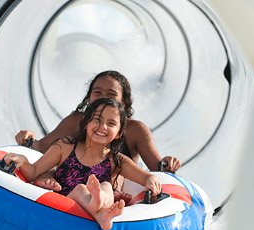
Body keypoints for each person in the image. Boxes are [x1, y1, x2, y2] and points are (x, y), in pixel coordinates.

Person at [3, 98, 161, 230]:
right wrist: (23, 160)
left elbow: (146, 176)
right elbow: (33, 171)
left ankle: (99, 209)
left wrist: (151, 182)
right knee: (80, 190)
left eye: (111, 123)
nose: (102, 126)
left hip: (92, 219)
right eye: (97, 119)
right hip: (65, 211)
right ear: (85, 123)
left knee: (106, 186)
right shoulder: (64, 147)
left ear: (119, 133)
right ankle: (97, 206)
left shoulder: (116, 160)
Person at [15, 70, 180, 194]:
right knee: (50, 170)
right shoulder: (75, 123)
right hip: (68, 185)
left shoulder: (134, 132)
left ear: (124, 101)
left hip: (109, 188)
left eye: (112, 94)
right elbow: (41, 149)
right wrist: (28, 139)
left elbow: (156, 170)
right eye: (97, 92)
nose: (103, 97)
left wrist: (166, 164)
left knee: (109, 185)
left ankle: (102, 202)